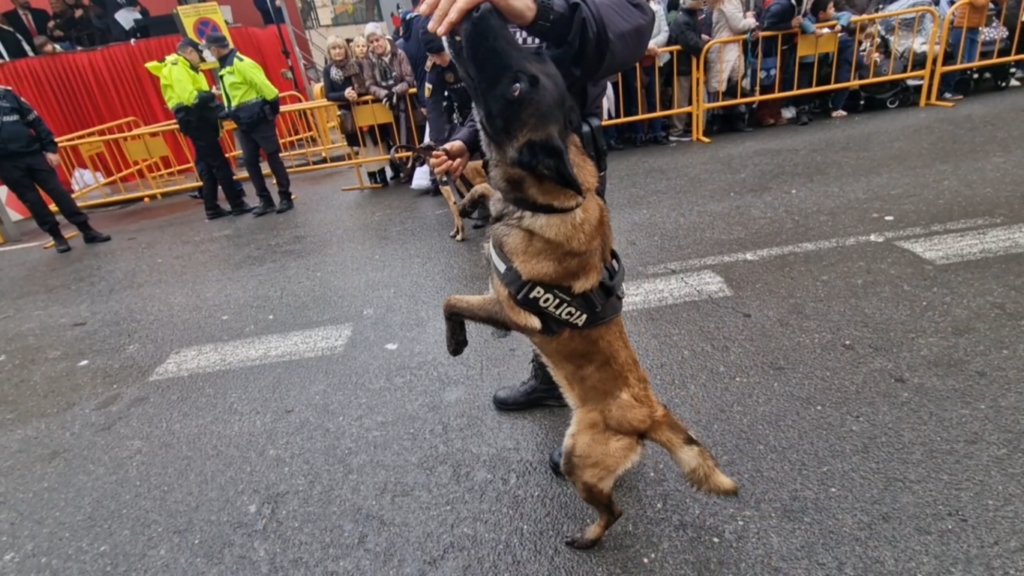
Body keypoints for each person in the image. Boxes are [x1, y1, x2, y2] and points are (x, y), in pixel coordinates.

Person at [420, 0, 655, 470]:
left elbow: (633, 21)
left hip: (564, 159)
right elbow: (500, 78)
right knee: (533, 289)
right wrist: (467, 139)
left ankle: (613, 420)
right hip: (516, 154)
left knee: (579, 290)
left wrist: (542, 11)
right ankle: (550, 379)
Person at [146, 37, 254, 220]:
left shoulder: (187, 67)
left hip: (199, 118)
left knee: (207, 166)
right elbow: (191, 97)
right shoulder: (176, 67)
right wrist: (211, 94)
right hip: (195, 118)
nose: (202, 58)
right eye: (199, 53)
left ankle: (211, 207)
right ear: (189, 51)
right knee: (218, 163)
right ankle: (236, 203)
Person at [0, 85, 111, 253]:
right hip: (6, 164)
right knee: (33, 201)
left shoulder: (8, 96)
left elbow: (36, 122)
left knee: (59, 192)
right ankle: (57, 236)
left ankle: (87, 230)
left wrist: (50, 149)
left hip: (33, 154)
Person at [203, 32, 293, 216]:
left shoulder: (241, 64)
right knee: (250, 161)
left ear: (215, 48)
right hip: (242, 120)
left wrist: (270, 113)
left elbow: (269, 91)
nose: (209, 54)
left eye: (209, 51)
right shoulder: (225, 67)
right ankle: (265, 200)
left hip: (258, 117)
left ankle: (285, 197)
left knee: (272, 157)